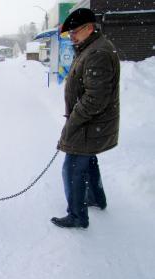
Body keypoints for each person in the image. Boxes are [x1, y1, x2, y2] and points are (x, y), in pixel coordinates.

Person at [52, 8, 120, 229]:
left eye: (75, 32)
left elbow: (95, 99)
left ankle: (77, 216)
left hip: (89, 125)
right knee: (87, 161)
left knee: (72, 167)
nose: (71, 36)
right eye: (69, 33)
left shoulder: (97, 53)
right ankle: (96, 198)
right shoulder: (90, 47)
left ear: (89, 28)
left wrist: (72, 121)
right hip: (92, 124)